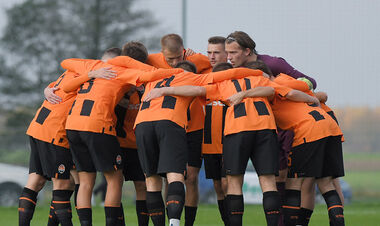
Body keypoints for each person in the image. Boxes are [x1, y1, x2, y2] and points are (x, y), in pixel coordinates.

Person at [142, 63, 320, 226]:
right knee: (268, 183)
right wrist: (312, 99)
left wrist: (165, 90)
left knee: (234, 183)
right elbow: (288, 93)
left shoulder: (222, 84)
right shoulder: (259, 79)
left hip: (237, 130)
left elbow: (195, 90)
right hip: (265, 129)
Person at [60, 43, 182, 226]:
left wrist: (91, 74)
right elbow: (153, 75)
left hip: (73, 126)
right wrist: (182, 74)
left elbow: (65, 62)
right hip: (97, 126)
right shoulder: (124, 72)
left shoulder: (94, 66)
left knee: (85, 181)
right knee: (115, 178)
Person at [136, 62, 264, 226]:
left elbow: (128, 69)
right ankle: (174, 222)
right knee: (175, 176)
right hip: (170, 122)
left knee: (151, 180)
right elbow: (229, 74)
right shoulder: (192, 77)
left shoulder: (154, 78)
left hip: (141, 124)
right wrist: (257, 72)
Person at [225, 31, 318, 225]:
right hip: (254, 126)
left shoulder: (273, 64)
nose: (229, 57)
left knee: (281, 177)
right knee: (270, 179)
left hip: (282, 127)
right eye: (227, 53)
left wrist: (283, 88)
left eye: (233, 52)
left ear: (247, 51)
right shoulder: (232, 71)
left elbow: (310, 82)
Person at [19, 52, 114, 226]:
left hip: (38, 126)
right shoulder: (91, 76)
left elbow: (56, 84)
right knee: (63, 184)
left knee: (37, 180)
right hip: (55, 131)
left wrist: (46, 90)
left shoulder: (70, 71)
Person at [146, 33, 212, 225]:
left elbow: (221, 65)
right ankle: (171, 219)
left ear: (184, 51)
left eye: (178, 58)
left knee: (190, 177)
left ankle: (188, 222)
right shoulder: (152, 60)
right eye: (170, 59)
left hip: (193, 126)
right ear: (162, 53)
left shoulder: (197, 60)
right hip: (166, 124)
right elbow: (128, 63)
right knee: (170, 175)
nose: (175, 63)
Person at [203, 36, 229, 225]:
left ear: (227, 54)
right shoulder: (203, 77)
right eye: (209, 52)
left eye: (216, 52)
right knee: (218, 187)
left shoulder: (236, 77)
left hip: (230, 142)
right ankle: (226, 221)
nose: (212, 56)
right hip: (209, 143)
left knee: (229, 184)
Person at [114, 84, 149, 226]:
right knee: (115, 185)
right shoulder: (120, 90)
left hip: (138, 145)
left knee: (142, 185)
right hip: (118, 144)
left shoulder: (148, 91)